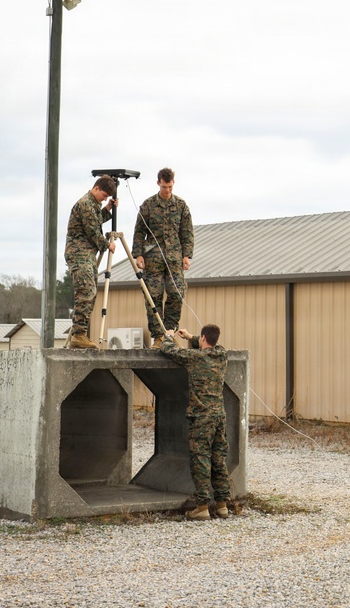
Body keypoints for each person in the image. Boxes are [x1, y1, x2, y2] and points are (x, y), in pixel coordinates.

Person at [160, 324, 231, 520]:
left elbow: (168, 350)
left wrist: (169, 336)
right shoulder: (222, 355)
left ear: (203, 338)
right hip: (219, 417)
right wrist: (190, 337)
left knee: (201, 461)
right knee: (218, 460)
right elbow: (211, 346)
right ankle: (222, 505)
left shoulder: (195, 358)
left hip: (201, 418)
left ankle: (202, 507)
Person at [132, 168, 194, 348]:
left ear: (173, 183)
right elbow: (139, 231)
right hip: (153, 258)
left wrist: (187, 255)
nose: (167, 190)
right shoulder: (148, 205)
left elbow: (187, 232)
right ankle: (158, 335)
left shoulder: (181, 206)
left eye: (170, 187)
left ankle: (169, 333)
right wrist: (138, 254)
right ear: (158, 183)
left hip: (174, 258)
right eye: (164, 187)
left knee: (177, 293)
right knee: (153, 296)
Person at [64, 175, 117, 349]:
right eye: (104, 195)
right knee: (86, 291)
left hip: (86, 254)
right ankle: (79, 335)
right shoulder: (86, 204)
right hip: (79, 253)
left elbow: (95, 220)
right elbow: (93, 230)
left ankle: (80, 333)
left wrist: (107, 209)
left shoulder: (92, 204)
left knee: (91, 293)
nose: (105, 199)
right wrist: (107, 245)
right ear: (96, 188)